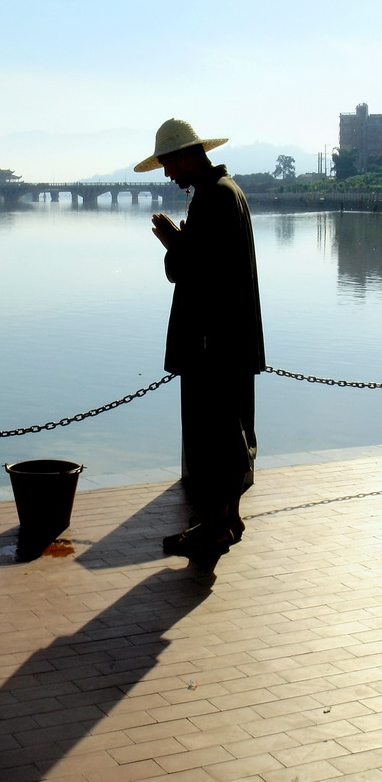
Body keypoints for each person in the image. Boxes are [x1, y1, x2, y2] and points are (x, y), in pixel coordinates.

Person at [134, 118, 265, 564]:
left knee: (213, 436)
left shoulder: (215, 198)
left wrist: (173, 244)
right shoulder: (226, 192)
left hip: (213, 341)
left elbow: (197, 272)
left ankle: (214, 526)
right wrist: (183, 244)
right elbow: (214, 262)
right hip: (230, 338)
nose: (169, 174)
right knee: (231, 429)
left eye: (169, 163)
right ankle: (227, 518)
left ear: (188, 155)